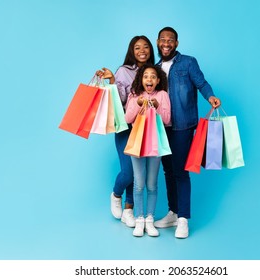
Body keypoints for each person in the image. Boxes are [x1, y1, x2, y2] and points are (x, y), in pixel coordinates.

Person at [154, 27, 221, 238]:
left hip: (183, 125)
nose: (166, 43)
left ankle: (183, 218)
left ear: (176, 43)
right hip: (160, 126)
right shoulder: (154, 68)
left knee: (181, 171)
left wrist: (210, 97)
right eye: (163, 39)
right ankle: (173, 212)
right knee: (168, 171)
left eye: (170, 40)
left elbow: (201, 83)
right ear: (157, 42)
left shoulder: (188, 62)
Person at [95, 36, 155, 228]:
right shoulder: (124, 70)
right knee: (128, 172)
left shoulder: (154, 71)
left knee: (139, 173)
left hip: (147, 128)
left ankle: (129, 209)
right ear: (132, 50)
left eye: (146, 47)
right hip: (126, 127)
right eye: (137, 48)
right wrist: (112, 79)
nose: (142, 51)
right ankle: (116, 194)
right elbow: (119, 99)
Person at [125, 64, 171, 237]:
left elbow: (167, 120)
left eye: (153, 76)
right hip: (137, 143)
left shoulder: (163, 95)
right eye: (146, 76)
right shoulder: (134, 95)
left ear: (158, 80)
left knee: (151, 184)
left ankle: (149, 220)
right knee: (139, 184)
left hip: (155, 144)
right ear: (141, 79)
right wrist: (137, 103)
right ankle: (139, 219)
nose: (149, 79)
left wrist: (158, 106)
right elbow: (127, 118)